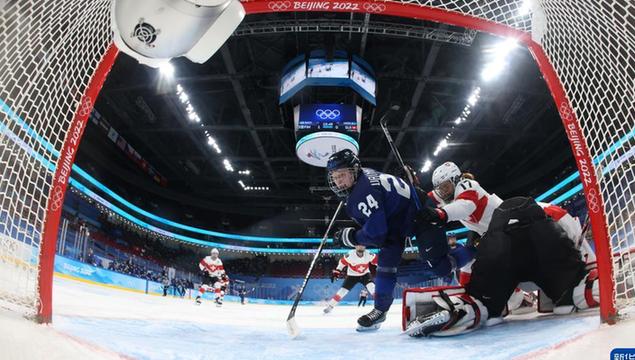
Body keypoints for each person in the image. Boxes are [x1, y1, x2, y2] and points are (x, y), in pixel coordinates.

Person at [407, 162, 600, 337]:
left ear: (456, 179)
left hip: (520, 225)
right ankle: (516, 298)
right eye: (440, 189)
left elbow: (465, 206)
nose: (443, 192)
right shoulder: (449, 196)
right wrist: (412, 190)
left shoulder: (467, 185)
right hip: (497, 239)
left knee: (563, 222)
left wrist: (440, 214)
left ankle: (591, 270)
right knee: (474, 263)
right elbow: (428, 198)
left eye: (446, 187)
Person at [327, 149, 449, 331]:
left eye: (342, 175)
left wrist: (351, 237)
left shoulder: (362, 192)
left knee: (438, 265)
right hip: (396, 220)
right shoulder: (362, 177)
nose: (338, 181)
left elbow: (376, 234)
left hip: (419, 213)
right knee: (385, 262)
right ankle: (380, 311)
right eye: (335, 176)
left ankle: (470, 254)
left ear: (354, 171)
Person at [324, 245, 377, 314]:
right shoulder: (350, 255)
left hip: (365, 274)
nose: (360, 247)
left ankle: (381, 306)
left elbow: (379, 262)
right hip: (352, 276)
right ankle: (330, 306)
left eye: (362, 245)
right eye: (358, 245)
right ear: (355, 246)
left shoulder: (370, 254)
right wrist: (337, 272)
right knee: (342, 291)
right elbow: (341, 263)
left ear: (365, 246)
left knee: (372, 287)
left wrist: (385, 270)